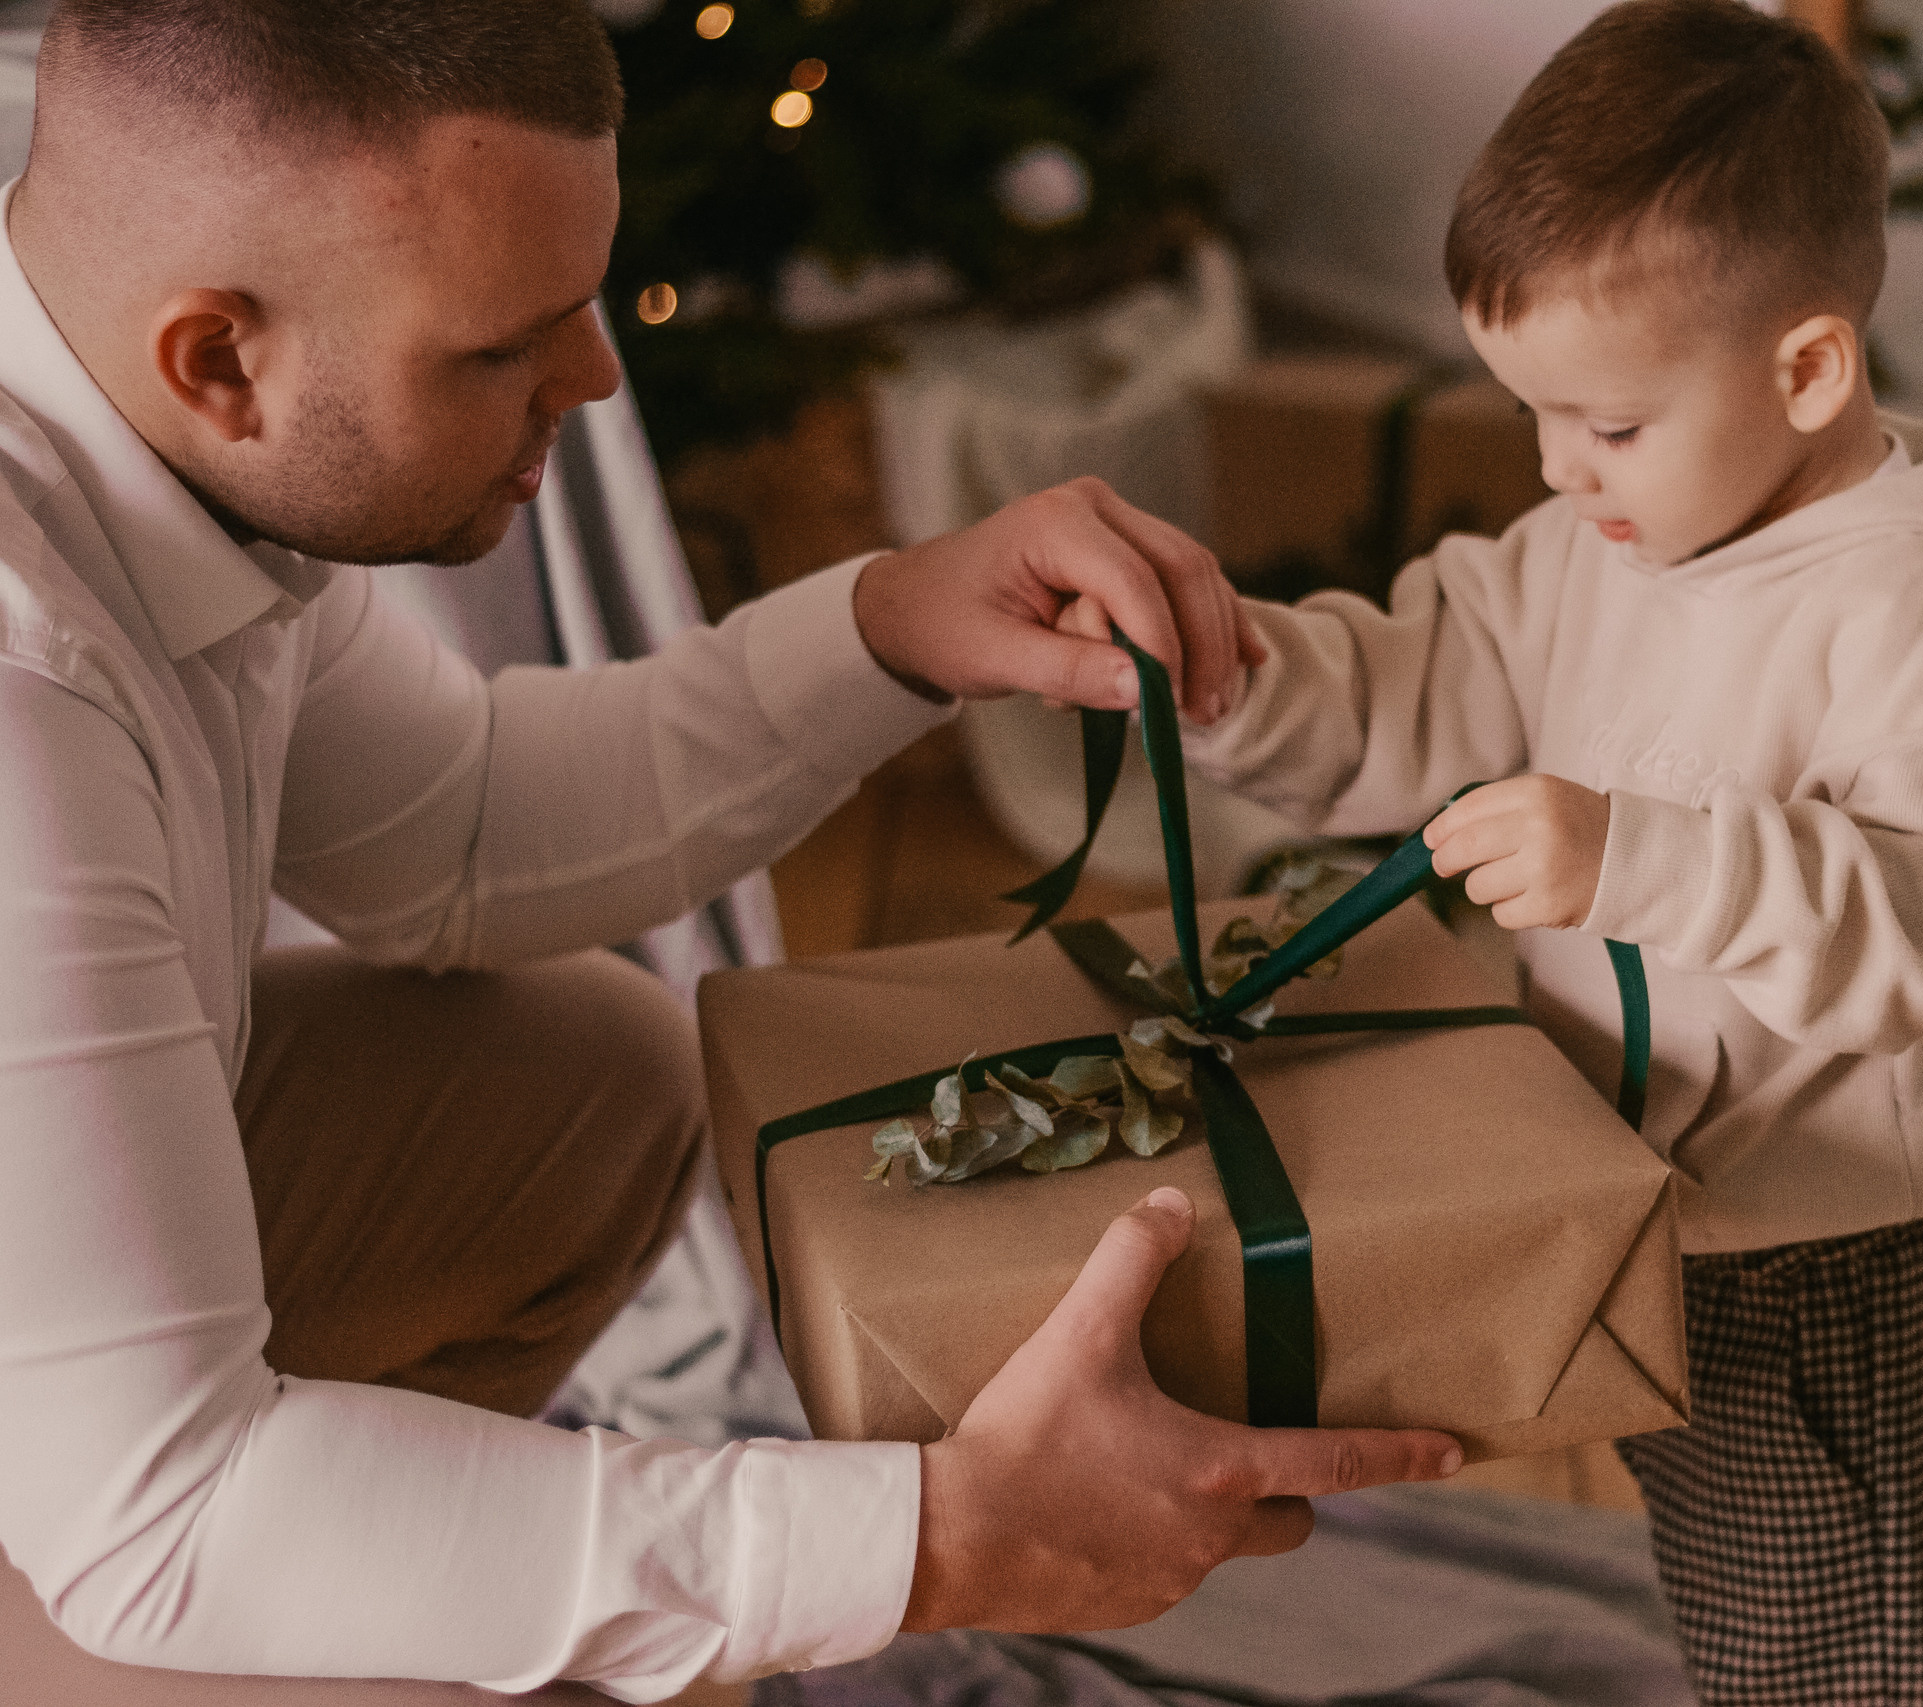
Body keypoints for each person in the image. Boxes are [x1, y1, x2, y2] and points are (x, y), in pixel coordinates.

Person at [0, 2, 1461, 1699]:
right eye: (500, 351)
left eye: (583, 310)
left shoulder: (146, 432)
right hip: (130, 1500)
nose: (597, 379)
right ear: (218, 359)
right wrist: (933, 1536)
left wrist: (895, 627)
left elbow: (461, 836)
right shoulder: (20, 678)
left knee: (583, 1075)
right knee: (435, 1642)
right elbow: (167, 1517)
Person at [1122, 4, 1923, 1701]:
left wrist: (1644, 858)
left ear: (1809, 366)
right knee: (1731, 1593)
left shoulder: (1911, 608)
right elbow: (1429, 673)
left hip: (1837, 1262)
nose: (1557, 468)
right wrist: (1235, 668)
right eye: (1532, 414)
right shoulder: (1617, 532)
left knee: (1840, 1654)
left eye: (1607, 424)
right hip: (1662, 1202)